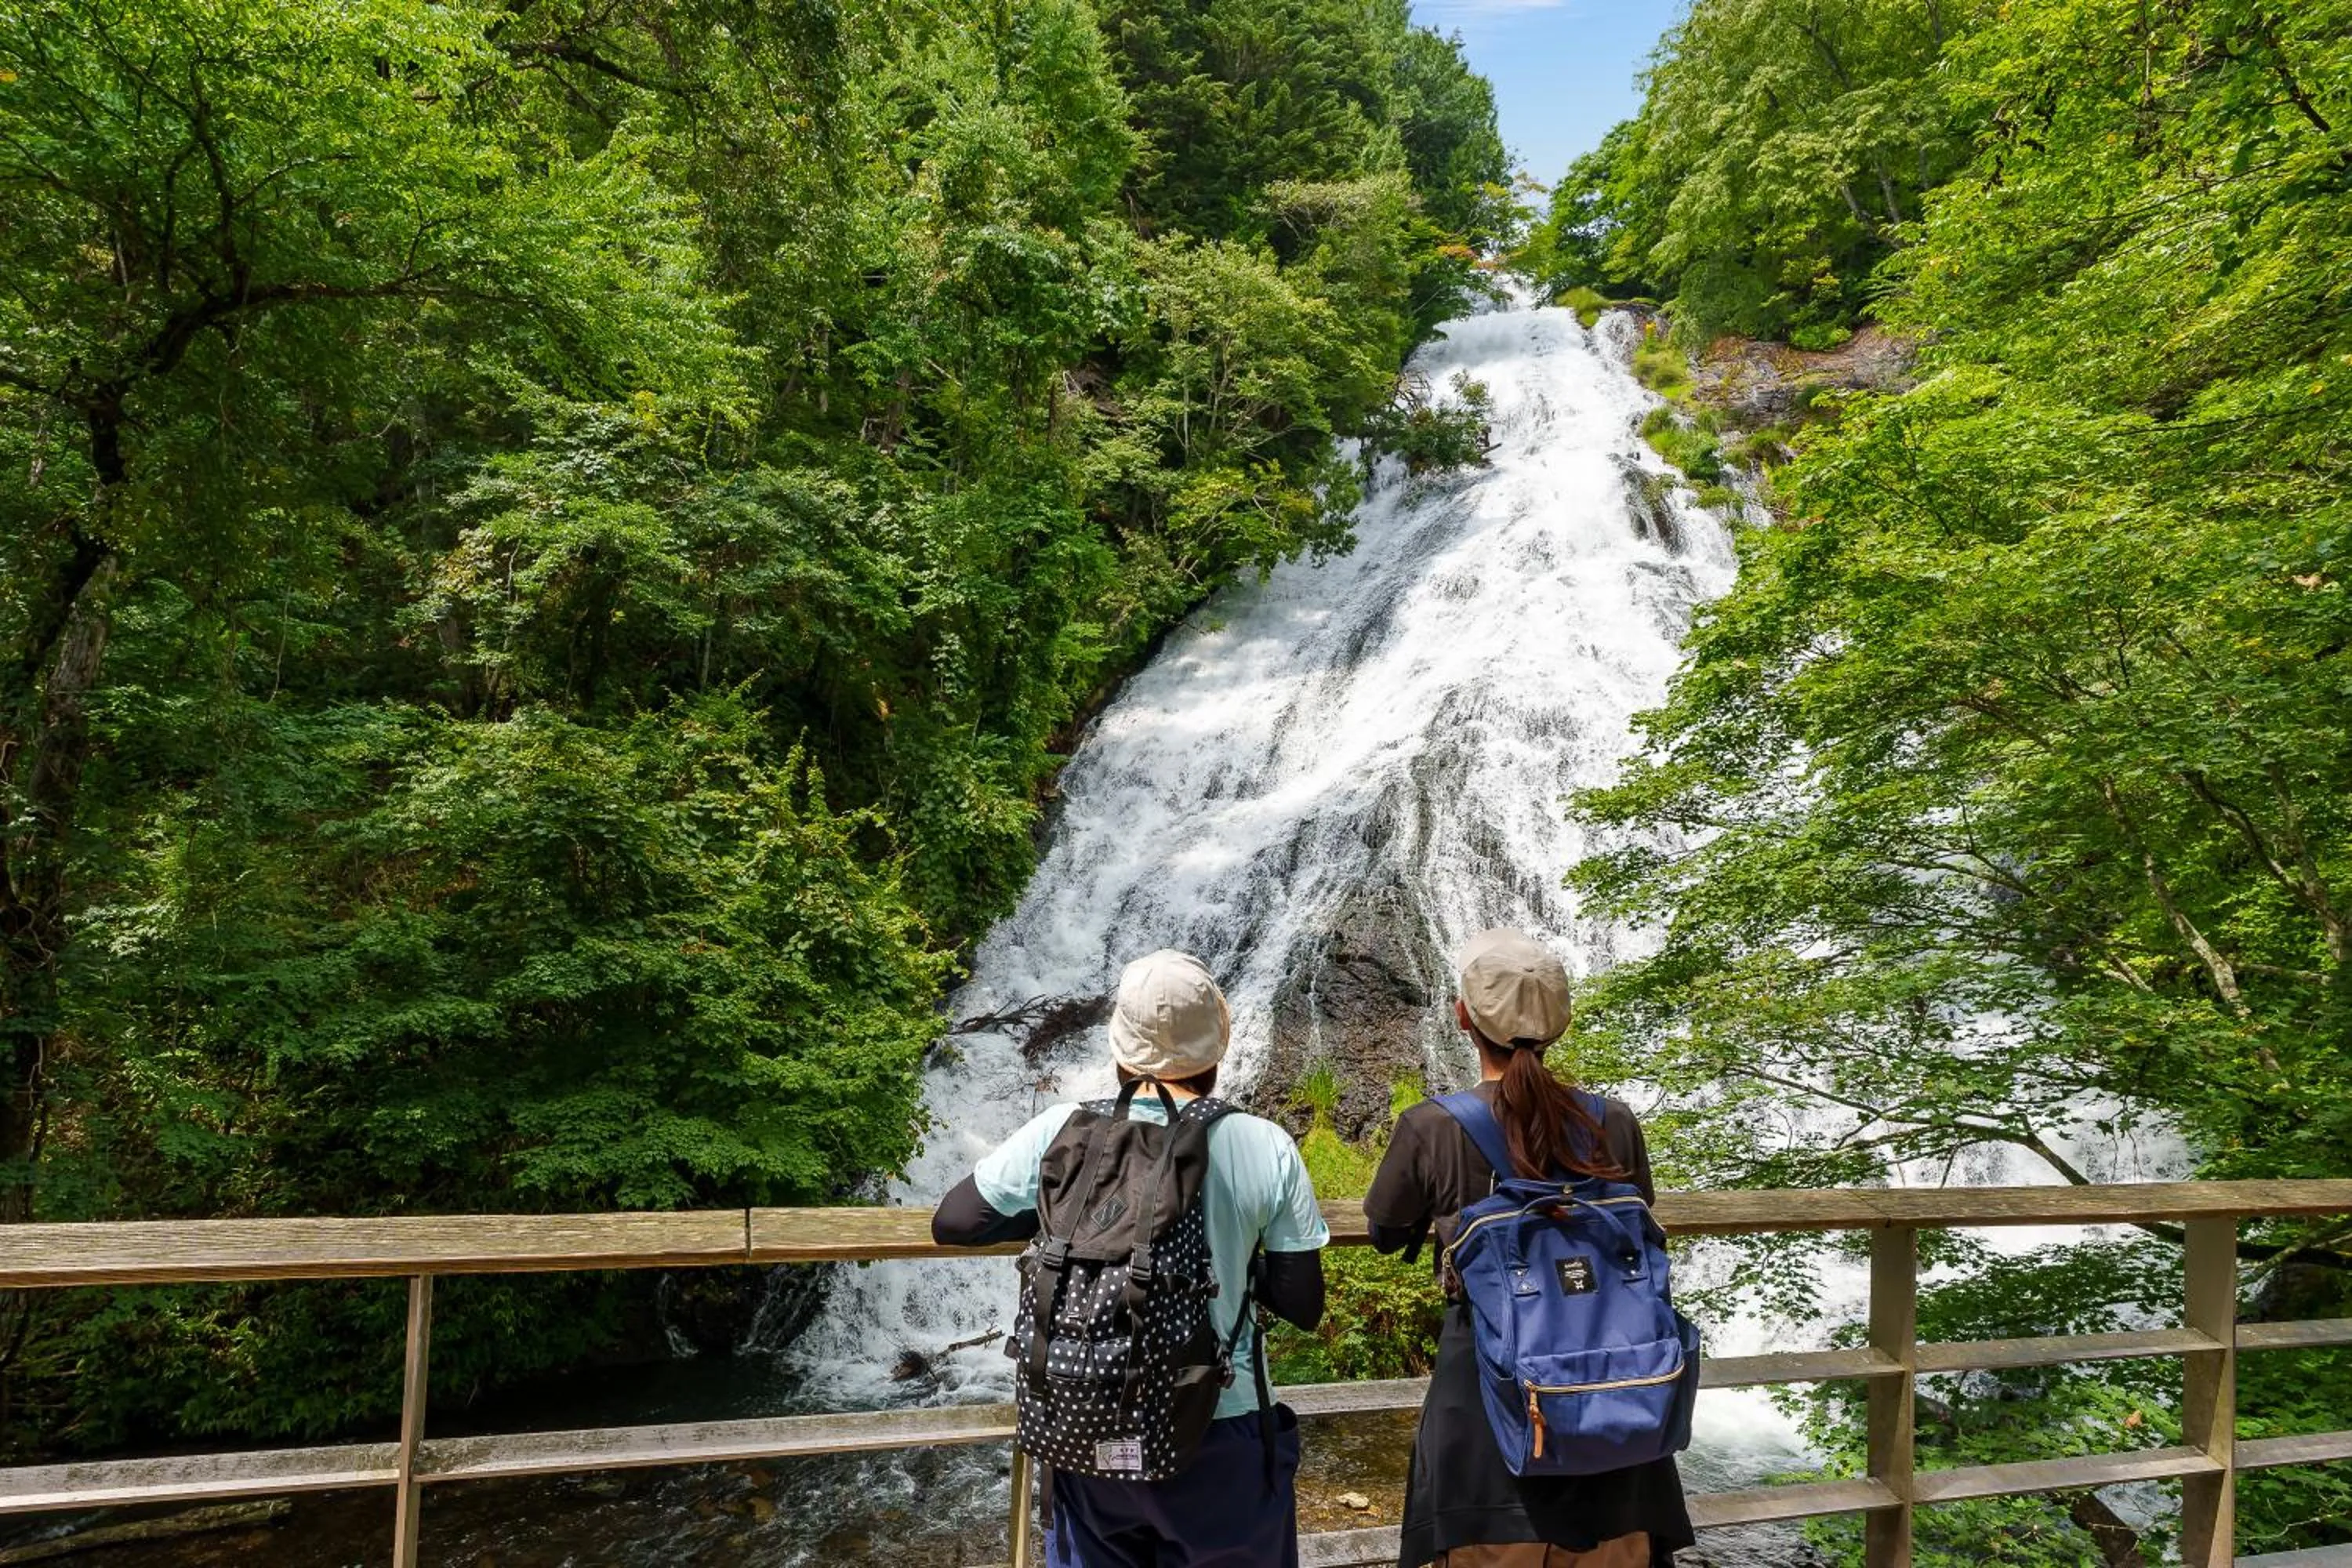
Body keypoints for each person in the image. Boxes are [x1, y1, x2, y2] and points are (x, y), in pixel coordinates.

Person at [934, 949, 1330, 1568]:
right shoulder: (1263, 1143)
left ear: (1121, 1049)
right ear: (1216, 1050)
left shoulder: (1064, 1130)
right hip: (1219, 1421)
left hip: (1086, 1416)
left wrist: (1060, 1218)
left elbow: (954, 1221)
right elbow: (1304, 1304)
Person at [1363, 929, 1694, 1568]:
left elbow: (1385, 1231)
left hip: (1492, 1413)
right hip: (1616, 1399)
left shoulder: (1432, 1126)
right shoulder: (1613, 1119)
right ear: (1559, 1024)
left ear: (1463, 1016)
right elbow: (1639, 1218)